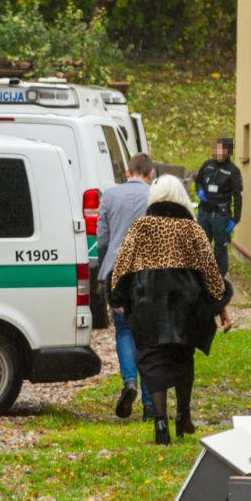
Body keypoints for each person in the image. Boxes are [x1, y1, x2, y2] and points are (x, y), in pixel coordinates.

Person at [109, 175, 233, 445]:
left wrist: (117, 297)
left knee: (152, 360)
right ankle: (183, 416)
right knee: (182, 358)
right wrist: (220, 302)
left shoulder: (140, 227)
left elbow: (121, 267)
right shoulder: (193, 229)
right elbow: (211, 273)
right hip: (184, 307)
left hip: (147, 306)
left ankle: (160, 422)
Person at [97, 152, 155, 421]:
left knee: (124, 330)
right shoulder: (156, 195)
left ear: (128, 173)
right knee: (149, 334)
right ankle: (150, 404)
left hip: (117, 270)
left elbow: (103, 237)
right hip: (149, 273)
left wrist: (105, 267)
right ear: (150, 174)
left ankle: (130, 381)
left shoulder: (109, 196)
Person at [195, 137, 243, 276]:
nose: (220, 152)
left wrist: (235, 218)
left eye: (223, 150)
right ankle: (201, 274)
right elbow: (198, 181)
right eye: (218, 149)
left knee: (220, 247)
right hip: (204, 213)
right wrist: (199, 190)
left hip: (220, 216)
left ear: (229, 152)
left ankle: (220, 277)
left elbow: (238, 196)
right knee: (202, 245)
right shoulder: (207, 165)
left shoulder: (233, 171)